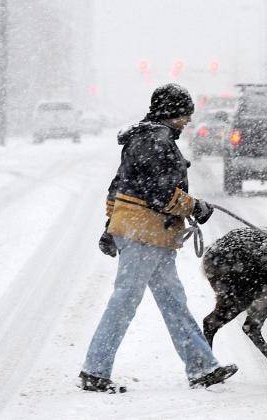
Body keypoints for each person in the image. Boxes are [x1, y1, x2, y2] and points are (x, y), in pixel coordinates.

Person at [79, 83, 237, 393]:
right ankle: (94, 370)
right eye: (184, 114)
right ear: (171, 112)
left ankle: (202, 367)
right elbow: (159, 193)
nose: (188, 120)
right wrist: (195, 206)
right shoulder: (157, 140)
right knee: (125, 301)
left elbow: (118, 185)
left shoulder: (143, 137)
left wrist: (110, 224)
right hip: (144, 234)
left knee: (173, 301)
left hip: (148, 234)